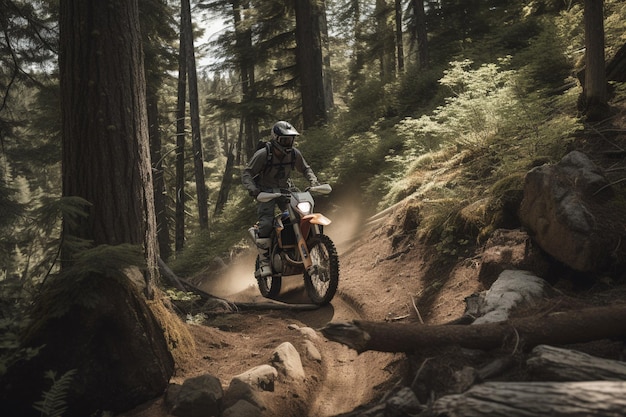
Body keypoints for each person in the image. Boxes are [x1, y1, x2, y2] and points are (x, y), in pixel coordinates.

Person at [242, 121, 319, 278]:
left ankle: (301, 248)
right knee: (266, 222)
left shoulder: (294, 154)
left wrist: (313, 181)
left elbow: (305, 169)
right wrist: (254, 191)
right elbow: (247, 173)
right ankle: (264, 262)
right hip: (266, 192)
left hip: (286, 189)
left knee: (300, 215)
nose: (288, 143)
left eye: (290, 140)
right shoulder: (263, 154)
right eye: (284, 140)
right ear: (276, 139)